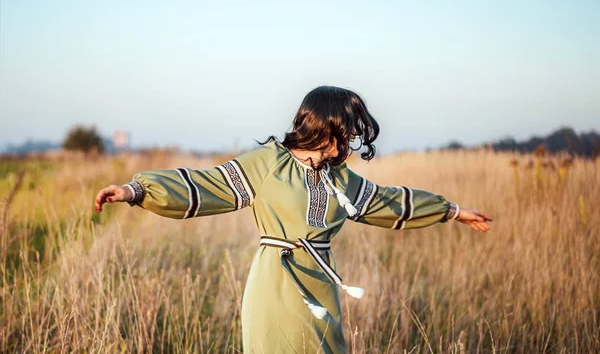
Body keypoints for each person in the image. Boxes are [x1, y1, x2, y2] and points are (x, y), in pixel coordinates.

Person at [95, 85, 492, 353]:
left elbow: (388, 203)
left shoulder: (339, 178)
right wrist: (138, 190)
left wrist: (452, 211)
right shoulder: (269, 162)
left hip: (320, 285)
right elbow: (206, 185)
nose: (350, 140)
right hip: (275, 285)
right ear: (323, 124)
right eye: (346, 130)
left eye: (353, 133)